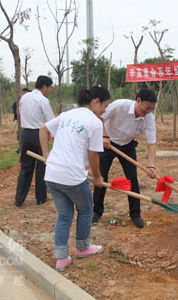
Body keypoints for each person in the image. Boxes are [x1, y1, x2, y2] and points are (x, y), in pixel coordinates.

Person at [39, 86, 110, 271]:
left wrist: (47, 155)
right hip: (72, 177)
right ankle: (83, 248)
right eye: (105, 105)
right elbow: (93, 154)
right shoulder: (95, 123)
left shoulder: (67, 115)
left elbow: (43, 129)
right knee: (86, 209)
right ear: (96, 101)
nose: (105, 110)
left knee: (64, 215)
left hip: (52, 174)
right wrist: (98, 177)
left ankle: (61, 258)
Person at [92, 88, 157, 229]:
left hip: (127, 145)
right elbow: (99, 117)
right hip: (108, 143)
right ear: (138, 100)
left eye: (151, 109)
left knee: (132, 178)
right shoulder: (119, 106)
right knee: (101, 177)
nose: (148, 112)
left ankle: (135, 214)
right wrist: (104, 135)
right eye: (147, 108)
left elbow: (151, 144)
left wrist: (151, 165)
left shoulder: (149, 118)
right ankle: (96, 211)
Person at [15, 76, 55, 206]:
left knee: (26, 167)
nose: (49, 91)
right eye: (49, 88)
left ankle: (19, 198)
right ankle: (41, 198)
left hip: (26, 134)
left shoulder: (24, 97)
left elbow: (20, 112)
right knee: (42, 166)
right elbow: (50, 121)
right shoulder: (43, 100)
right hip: (39, 134)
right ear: (44, 87)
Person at [13, 88, 31, 153]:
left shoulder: (32, 101)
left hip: (30, 123)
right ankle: (21, 147)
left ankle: (25, 148)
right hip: (21, 121)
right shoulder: (18, 101)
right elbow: (15, 110)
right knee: (20, 134)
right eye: (23, 93)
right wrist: (16, 117)